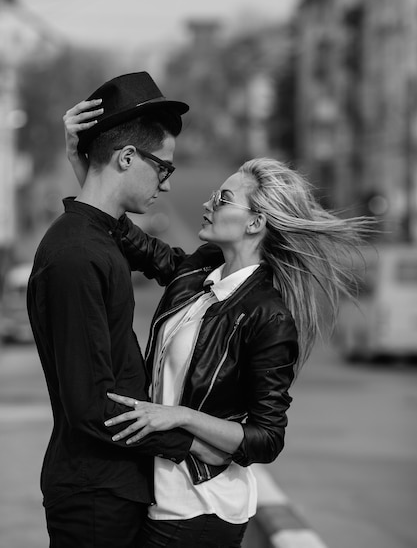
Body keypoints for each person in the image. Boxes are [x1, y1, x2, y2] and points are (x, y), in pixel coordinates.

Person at [64, 98, 373, 548]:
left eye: (224, 198)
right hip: (158, 492)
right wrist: (86, 165)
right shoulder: (198, 272)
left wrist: (182, 416)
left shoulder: (268, 314)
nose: (210, 202)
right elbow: (131, 238)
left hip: (201, 508)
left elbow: (266, 438)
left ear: (255, 224)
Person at [27, 71, 229, 548]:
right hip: (95, 498)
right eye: (164, 167)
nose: (165, 183)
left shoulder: (96, 239)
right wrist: (193, 445)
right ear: (126, 158)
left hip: (114, 488)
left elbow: (174, 267)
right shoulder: (77, 254)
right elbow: (93, 407)